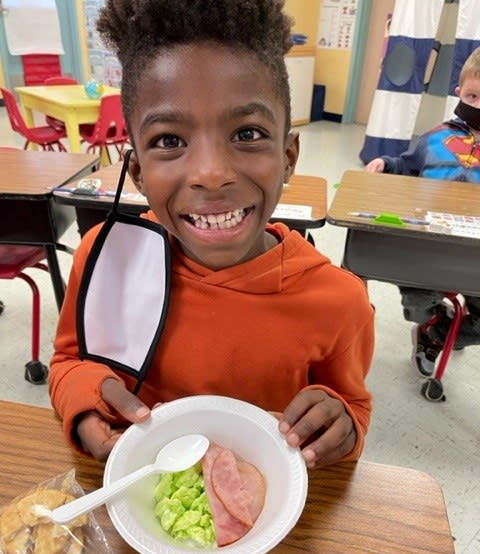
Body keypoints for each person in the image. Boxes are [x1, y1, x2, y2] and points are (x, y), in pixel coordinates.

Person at [49, 0, 374, 468]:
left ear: (288, 157)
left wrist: (340, 425)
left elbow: (352, 408)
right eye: (169, 141)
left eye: (247, 134)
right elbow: (69, 362)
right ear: (137, 173)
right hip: (139, 488)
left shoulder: (339, 302)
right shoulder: (106, 257)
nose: (211, 173)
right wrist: (84, 405)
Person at [365, 46, 480, 377]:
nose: (478, 107)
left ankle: (438, 333)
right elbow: (408, 165)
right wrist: (386, 164)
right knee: (416, 302)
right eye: (472, 96)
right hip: (429, 250)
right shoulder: (436, 138)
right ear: (458, 92)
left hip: (475, 256)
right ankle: (429, 322)